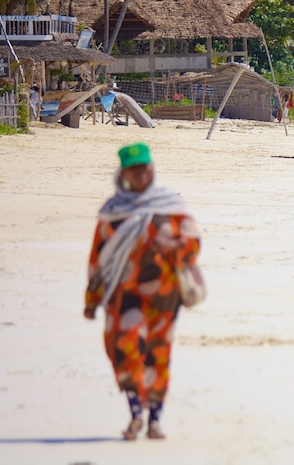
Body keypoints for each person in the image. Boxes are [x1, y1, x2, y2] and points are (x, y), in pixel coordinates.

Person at [84, 143, 202, 441]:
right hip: (126, 297)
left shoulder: (170, 206)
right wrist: (92, 299)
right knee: (124, 349)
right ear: (124, 173)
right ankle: (136, 413)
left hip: (165, 296)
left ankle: (154, 420)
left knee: (158, 354)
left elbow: (193, 243)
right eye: (135, 169)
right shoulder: (113, 212)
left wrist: (175, 246)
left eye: (145, 167)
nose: (142, 173)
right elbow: (98, 258)